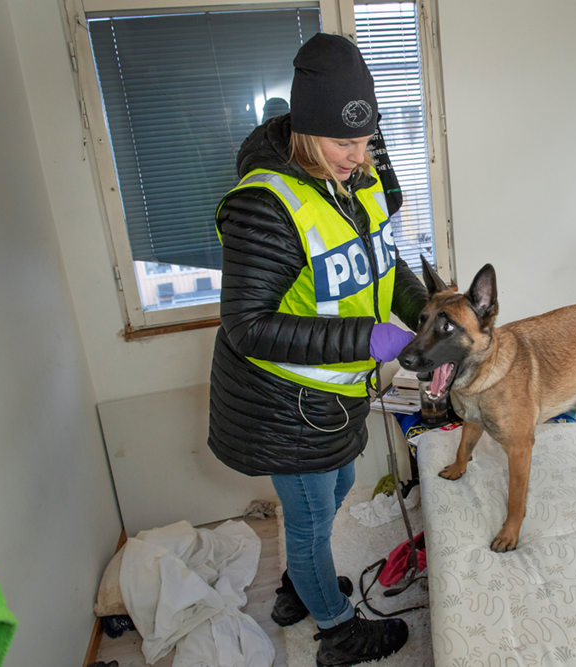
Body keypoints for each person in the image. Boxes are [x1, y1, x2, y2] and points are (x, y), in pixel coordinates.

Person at [207, 33, 428, 667]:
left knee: (338, 488)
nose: (358, 158)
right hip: (286, 400)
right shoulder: (266, 203)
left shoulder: (361, 175)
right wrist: (370, 338)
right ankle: (335, 630)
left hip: (337, 393)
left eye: (365, 142)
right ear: (306, 130)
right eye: (342, 143)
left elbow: (383, 265)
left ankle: (294, 589)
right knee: (307, 516)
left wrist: (426, 316)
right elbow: (247, 325)